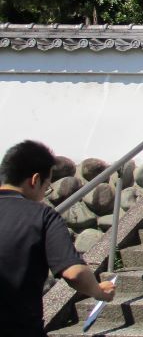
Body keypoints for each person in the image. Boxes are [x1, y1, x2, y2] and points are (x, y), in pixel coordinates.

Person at [0, 140, 116, 337]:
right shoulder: (42, 216)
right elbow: (74, 273)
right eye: (46, 187)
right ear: (35, 180)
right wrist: (98, 291)